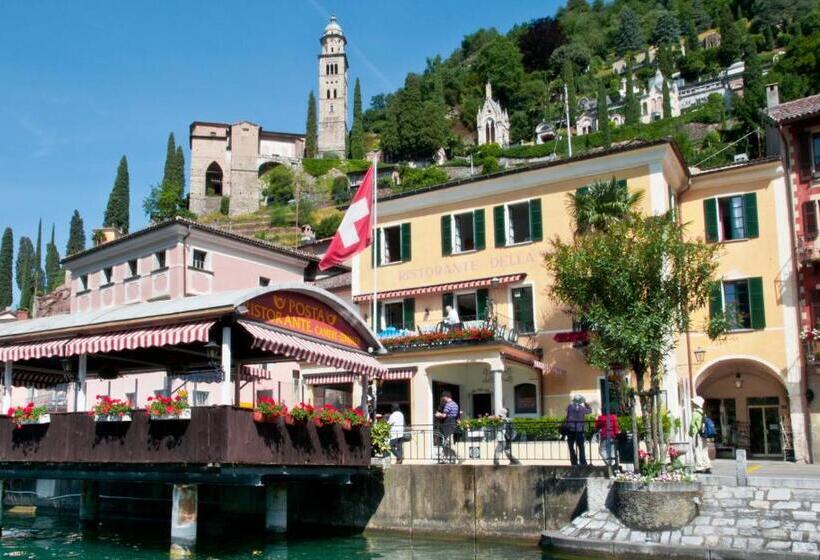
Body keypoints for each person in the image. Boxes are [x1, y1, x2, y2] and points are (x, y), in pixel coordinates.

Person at [565, 395, 592, 466]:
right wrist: (586, 404)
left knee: (571, 447)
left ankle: (574, 462)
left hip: (570, 429)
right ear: (580, 401)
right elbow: (590, 411)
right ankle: (582, 462)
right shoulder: (582, 408)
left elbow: (566, 413)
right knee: (581, 447)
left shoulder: (570, 407)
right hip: (579, 430)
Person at [434, 391, 459, 463]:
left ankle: (457, 456)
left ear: (446, 397)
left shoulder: (448, 405)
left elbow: (444, 415)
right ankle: (443, 458)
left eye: (443, 397)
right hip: (453, 423)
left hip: (448, 424)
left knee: (448, 442)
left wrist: (438, 414)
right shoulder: (455, 404)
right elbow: (456, 415)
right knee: (447, 442)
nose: (442, 399)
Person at [689, 396, 712, 473]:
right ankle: (707, 465)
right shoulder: (703, 413)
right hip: (704, 434)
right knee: (704, 450)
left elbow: (692, 424)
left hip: (697, 434)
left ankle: (699, 467)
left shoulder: (695, 413)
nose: (692, 404)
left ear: (696, 404)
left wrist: (690, 433)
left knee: (697, 450)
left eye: (693, 403)